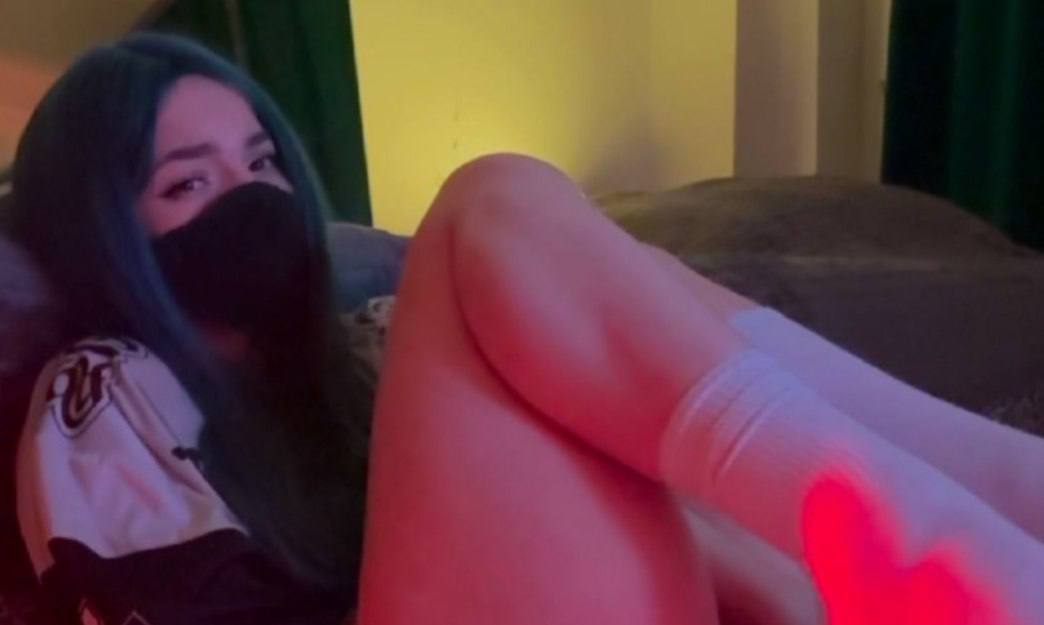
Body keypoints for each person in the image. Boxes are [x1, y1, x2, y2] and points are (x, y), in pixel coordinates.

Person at [9, 32, 1044, 625]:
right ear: (105, 230)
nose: (253, 197)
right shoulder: (107, 389)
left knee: (621, 306)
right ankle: (976, 534)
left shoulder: (363, 349)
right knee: (492, 204)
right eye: (188, 183)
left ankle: (993, 505)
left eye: (263, 162)